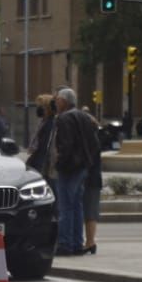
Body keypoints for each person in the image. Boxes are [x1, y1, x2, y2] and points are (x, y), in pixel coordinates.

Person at [51, 88, 97, 256]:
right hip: (82, 167)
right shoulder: (84, 117)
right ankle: (77, 243)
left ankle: (65, 244)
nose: (55, 102)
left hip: (69, 168)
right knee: (77, 205)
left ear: (64, 101)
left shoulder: (63, 119)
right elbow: (93, 143)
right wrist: (86, 162)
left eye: (57, 100)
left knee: (66, 206)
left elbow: (65, 145)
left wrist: (60, 162)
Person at [80, 107, 105, 254]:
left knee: (89, 212)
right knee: (91, 211)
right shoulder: (95, 138)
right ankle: (90, 242)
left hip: (90, 178)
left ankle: (90, 242)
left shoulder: (90, 141)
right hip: (94, 178)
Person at [26, 94, 55, 180]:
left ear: (47, 108)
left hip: (42, 162)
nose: (38, 109)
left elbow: (44, 145)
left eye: (41, 106)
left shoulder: (50, 123)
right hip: (38, 160)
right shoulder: (43, 122)